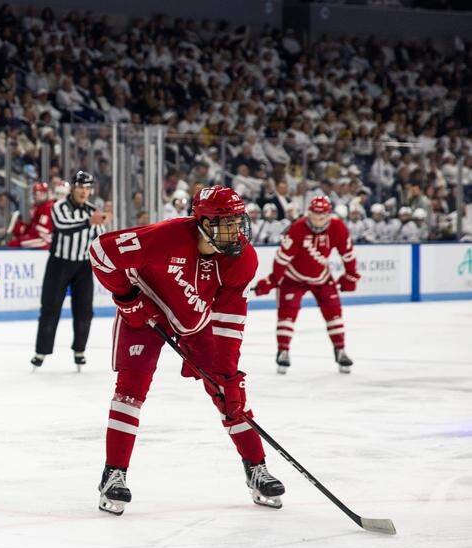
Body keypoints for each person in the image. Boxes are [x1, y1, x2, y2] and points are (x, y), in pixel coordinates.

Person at [88, 185, 285, 514]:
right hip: (145, 313)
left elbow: (229, 319)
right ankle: (113, 475)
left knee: (228, 393)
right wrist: (127, 299)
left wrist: (229, 374)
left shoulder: (242, 258)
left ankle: (256, 468)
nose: (237, 231)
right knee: (130, 391)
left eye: (240, 221)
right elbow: (101, 253)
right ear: (205, 223)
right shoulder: (164, 237)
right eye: (228, 223)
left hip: (195, 323)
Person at [253, 196, 360, 374]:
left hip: (322, 278)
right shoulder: (297, 229)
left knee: (334, 312)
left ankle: (340, 350)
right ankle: (283, 351)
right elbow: (281, 260)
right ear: (309, 213)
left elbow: (348, 254)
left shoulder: (337, 227)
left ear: (328, 214)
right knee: (287, 314)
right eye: (315, 214)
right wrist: (273, 280)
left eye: (322, 214)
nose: (319, 218)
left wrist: (351, 275)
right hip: (292, 278)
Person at [31, 171, 109, 371]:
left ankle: (79, 350)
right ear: (73, 188)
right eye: (81, 187)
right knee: (50, 308)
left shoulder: (93, 210)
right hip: (59, 264)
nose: (84, 191)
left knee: (84, 310)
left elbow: (99, 239)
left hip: (83, 266)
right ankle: (41, 351)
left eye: (88, 188)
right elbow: (63, 226)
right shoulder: (59, 207)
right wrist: (89, 222)